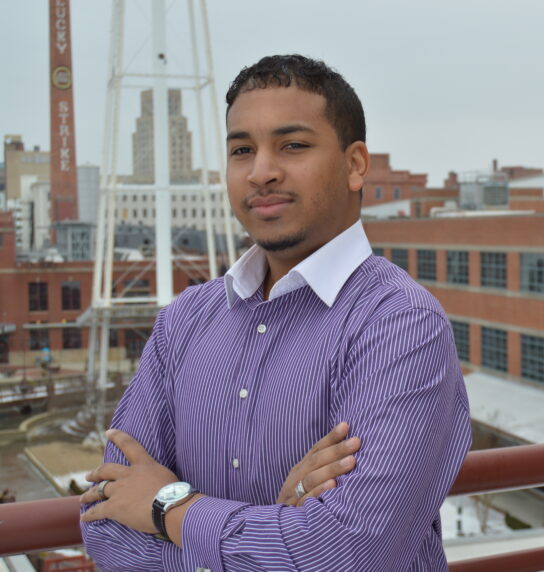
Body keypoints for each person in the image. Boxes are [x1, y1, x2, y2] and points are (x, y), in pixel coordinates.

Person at [79, 54, 471, 571]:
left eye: (293, 145)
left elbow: (349, 553)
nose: (261, 171)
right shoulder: (186, 320)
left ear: (355, 165)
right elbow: (104, 521)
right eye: (242, 149)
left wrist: (169, 506)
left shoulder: (399, 325)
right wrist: (277, 529)